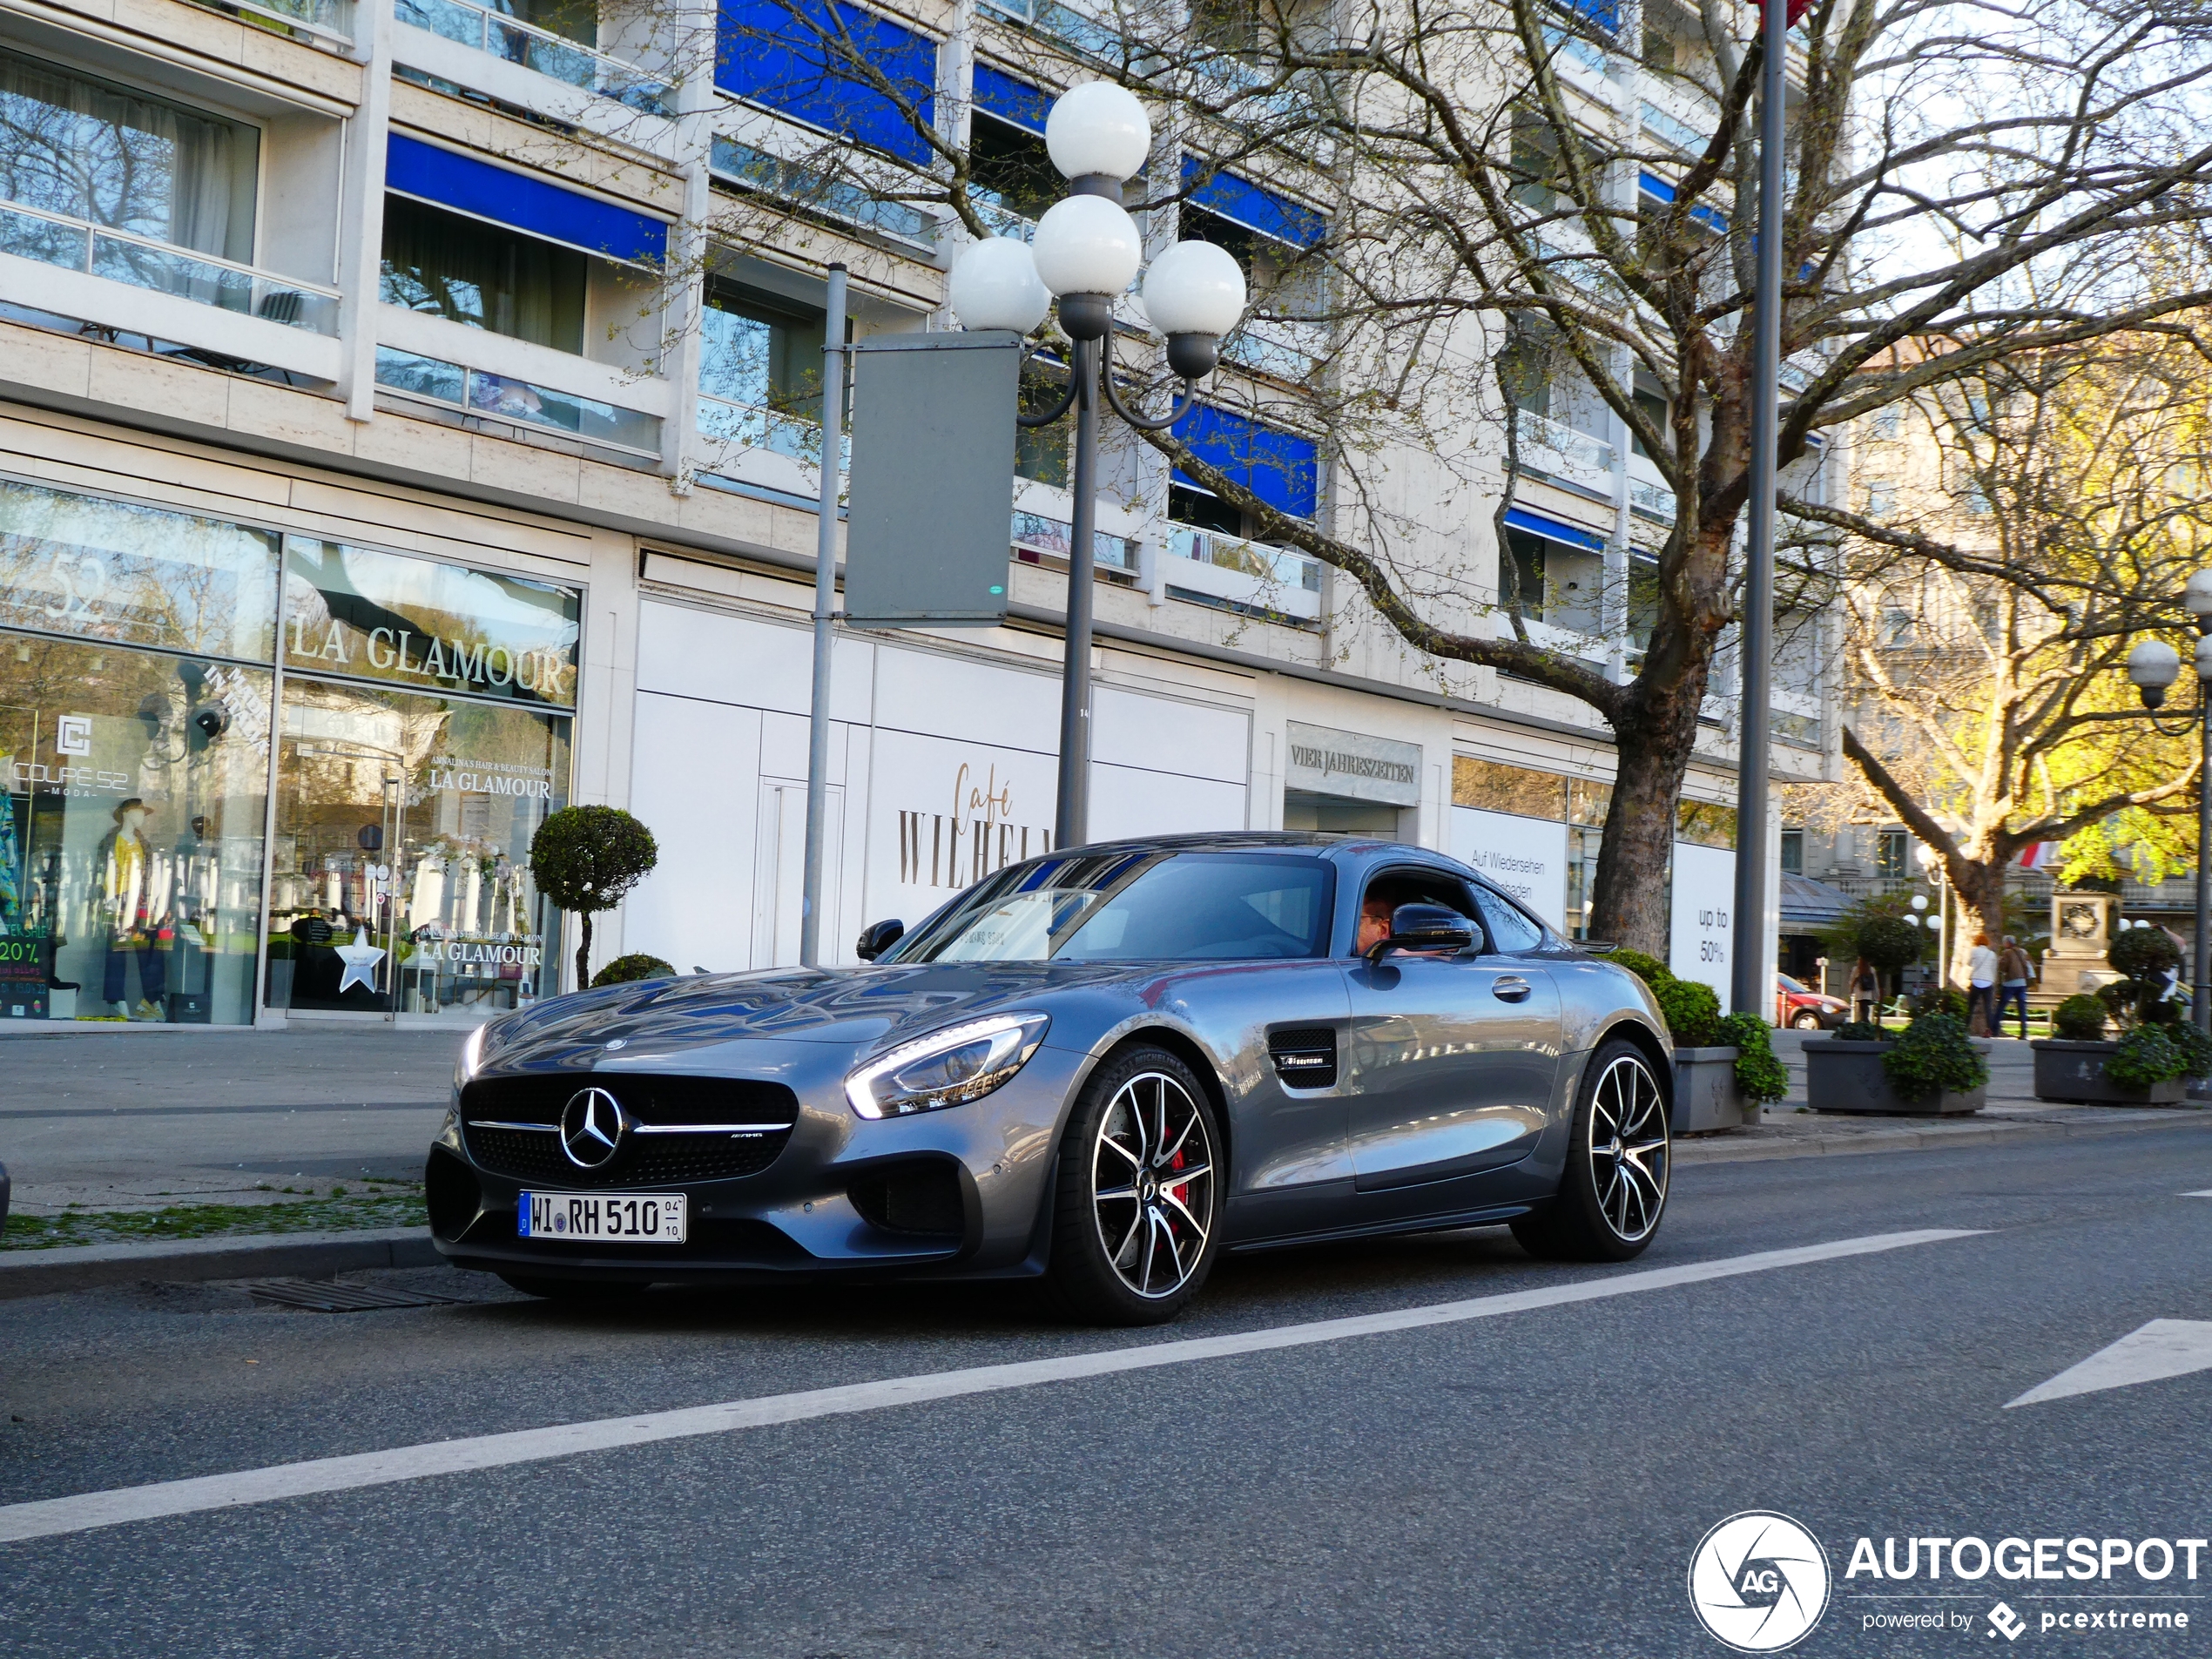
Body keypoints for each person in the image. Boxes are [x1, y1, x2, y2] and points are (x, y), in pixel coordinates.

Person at [1998, 934, 2033, 1039]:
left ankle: (1994, 1029)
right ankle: (2024, 1032)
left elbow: (2004, 968)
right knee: (2022, 1009)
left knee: (2001, 1007)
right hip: (2022, 983)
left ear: (2008, 943)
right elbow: (2026, 965)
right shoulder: (2021, 951)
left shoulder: (2007, 952)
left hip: (2011, 983)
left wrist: (2000, 962)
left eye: (2004, 942)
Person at [1967, 932, 2000, 1034]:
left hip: (1976, 980)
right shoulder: (1992, 954)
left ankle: (1965, 1028)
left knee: (1971, 1006)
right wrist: (1992, 981)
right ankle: (1989, 1030)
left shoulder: (1974, 951)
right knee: (1988, 1008)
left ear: (1976, 942)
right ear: (1986, 943)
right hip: (1988, 982)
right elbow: (1994, 969)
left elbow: (1969, 963)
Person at [1848, 955, 1879, 1023]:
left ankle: (1865, 1022)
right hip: (1868, 992)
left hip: (1859, 992)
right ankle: (1865, 1021)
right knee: (1865, 1009)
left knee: (1862, 1009)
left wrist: (1851, 991)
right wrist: (1877, 994)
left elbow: (1852, 981)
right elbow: (1875, 983)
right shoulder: (1871, 969)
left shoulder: (1856, 969)